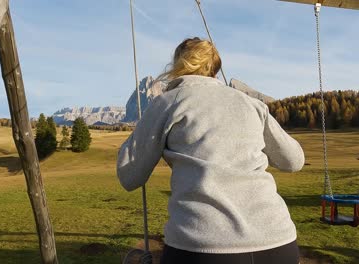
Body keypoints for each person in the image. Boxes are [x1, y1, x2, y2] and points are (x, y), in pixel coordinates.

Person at [117, 37, 305, 264]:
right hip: (278, 242)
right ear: (216, 68)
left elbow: (129, 175)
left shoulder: (168, 102)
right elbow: (293, 161)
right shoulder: (251, 104)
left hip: (201, 246)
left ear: (178, 65)